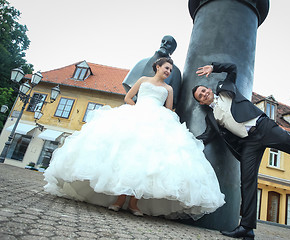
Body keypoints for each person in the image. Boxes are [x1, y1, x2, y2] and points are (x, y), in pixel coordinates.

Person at [44, 57, 225, 220]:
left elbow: (169, 110)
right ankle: (119, 198)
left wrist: (160, 118)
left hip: (157, 121)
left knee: (146, 161)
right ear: (157, 67)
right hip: (138, 114)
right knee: (126, 156)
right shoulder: (143, 80)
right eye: (166, 68)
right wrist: (139, 110)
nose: (168, 72)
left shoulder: (169, 89)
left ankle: (134, 203)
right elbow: (128, 98)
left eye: (170, 70)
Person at [192, 62, 290, 239]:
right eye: (200, 96)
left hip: (263, 127)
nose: (204, 94)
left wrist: (213, 67)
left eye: (204, 90)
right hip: (248, 143)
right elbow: (208, 135)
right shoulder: (211, 117)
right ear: (201, 102)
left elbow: (233, 68)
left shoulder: (225, 88)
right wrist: (188, 140)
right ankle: (247, 228)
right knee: (247, 182)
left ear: (209, 89)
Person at [122, 35, 182, 108]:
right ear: (158, 67)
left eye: (169, 43)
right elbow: (128, 96)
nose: (164, 44)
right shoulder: (142, 70)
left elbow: (170, 107)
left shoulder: (174, 77)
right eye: (163, 41)